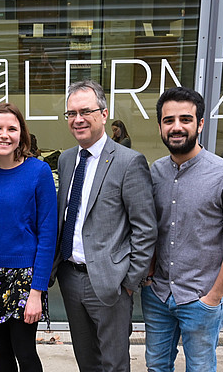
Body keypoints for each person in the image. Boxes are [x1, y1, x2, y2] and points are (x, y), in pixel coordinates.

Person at [50, 80, 157, 371]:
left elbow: (145, 229)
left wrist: (129, 282)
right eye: (71, 113)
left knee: (114, 364)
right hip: (70, 278)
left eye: (86, 111)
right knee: (86, 361)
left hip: (111, 284)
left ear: (104, 114)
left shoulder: (129, 161)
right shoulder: (67, 159)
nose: (78, 119)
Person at [143, 87, 223, 371]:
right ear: (160, 127)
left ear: (200, 124)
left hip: (201, 297)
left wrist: (214, 297)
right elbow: (150, 229)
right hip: (158, 295)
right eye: (168, 120)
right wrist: (149, 277)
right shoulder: (155, 173)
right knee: (156, 367)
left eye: (185, 119)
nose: (176, 127)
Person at [0, 103, 57, 371]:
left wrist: (37, 291)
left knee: (25, 352)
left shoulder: (38, 172)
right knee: (2, 352)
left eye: (12, 129)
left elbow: (48, 236)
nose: (4, 135)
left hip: (25, 279)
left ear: (21, 134)